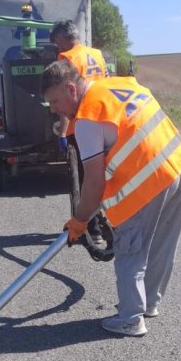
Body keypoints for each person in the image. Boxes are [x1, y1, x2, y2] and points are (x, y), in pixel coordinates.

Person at [41, 59, 181, 337]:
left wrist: (80, 221)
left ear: (71, 90)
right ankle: (148, 303)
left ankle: (130, 319)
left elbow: (94, 182)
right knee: (162, 244)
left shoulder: (88, 117)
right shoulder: (117, 84)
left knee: (130, 252)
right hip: (180, 165)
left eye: (54, 101)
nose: (54, 110)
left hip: (149, 180)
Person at [50, 20, 108, 244]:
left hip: (81, 121)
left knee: (85, 178)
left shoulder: (67, 59)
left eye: (57, 42)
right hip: (103, 117)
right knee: (103, 174)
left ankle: (91, 229)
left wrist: (63, 133)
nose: (57, 47)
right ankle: (106, 222)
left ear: (63, 39)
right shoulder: (97, 54)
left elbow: (66, 98)